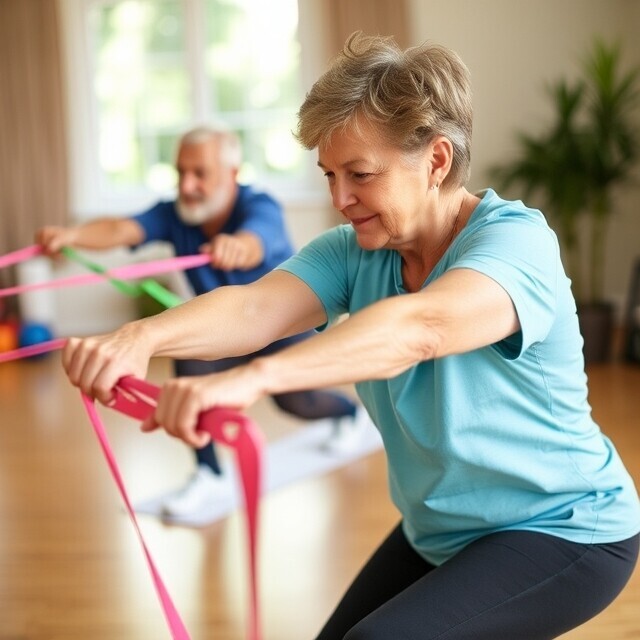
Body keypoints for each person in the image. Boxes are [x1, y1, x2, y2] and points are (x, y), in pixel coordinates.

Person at [61, 33, 640, 639]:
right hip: (443, 529)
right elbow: (254, 308)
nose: (339, 199)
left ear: (436, 161)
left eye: (360, 174)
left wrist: (254, 380)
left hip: (566, 528)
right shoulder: (355, 253)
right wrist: (138, 338)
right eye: (329, 175)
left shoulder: (515, 244)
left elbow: (419, 329)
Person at [36, 125, 370, 521]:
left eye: (200, 174)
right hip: (223, 333)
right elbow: (120, 229)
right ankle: (208, 472)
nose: (188, 185)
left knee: (296, 401)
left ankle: (349, 415)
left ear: (231, 175)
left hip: (280, 329)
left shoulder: (259, 205)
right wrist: (70, 234)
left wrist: (239, 246)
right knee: (188, 374)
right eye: (181, 173)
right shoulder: (174, 212)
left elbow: (257, 238)